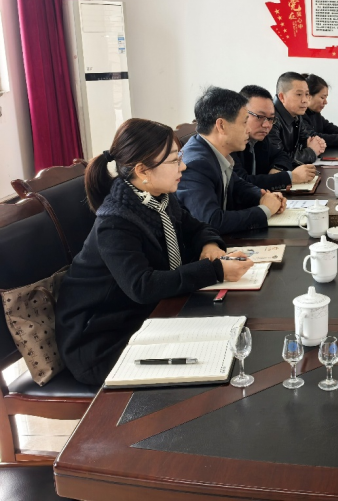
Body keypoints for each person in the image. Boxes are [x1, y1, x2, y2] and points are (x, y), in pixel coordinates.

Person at [56, 119, 254, 385]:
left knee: (231, 340)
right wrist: (215, 270)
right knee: (217, 360)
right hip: (101, 341)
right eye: (174, 161)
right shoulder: (115, 221)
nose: (183, 166)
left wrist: (210, 245)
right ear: (142, 170)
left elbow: (196, 227)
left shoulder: (159, 197)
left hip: (148, 315)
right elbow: (143, 286)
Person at [178, 86, 287, 234]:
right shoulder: (195, 164)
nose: (248, 130)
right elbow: (212, 222)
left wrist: (263, 196)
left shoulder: (214, 151)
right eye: (244, 122)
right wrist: (265, 210)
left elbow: (237, 185)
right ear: (221, 125)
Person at [232, 85, 316, 190]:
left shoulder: (260, 138)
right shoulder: (230, 143)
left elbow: (282, 155)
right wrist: (290, 177)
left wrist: (277, 169)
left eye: (271, 118)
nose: (266, 125)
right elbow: (242, 183)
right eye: (260, 117)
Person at [269, 72, 326, 165]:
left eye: (307, 94)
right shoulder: (270, 119)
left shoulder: (296, 113)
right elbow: (280, 159)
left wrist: (318, 143)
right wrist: (311, 152)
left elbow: (307, 139)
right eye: (299, 94)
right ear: (282, 97)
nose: (305, 100)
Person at [302, 74, 338, 147]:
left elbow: (330, 128)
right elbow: (314, 137)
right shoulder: (300, 116)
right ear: (309, 96)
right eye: (322, 97)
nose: (325, 102)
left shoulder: (315, 113)